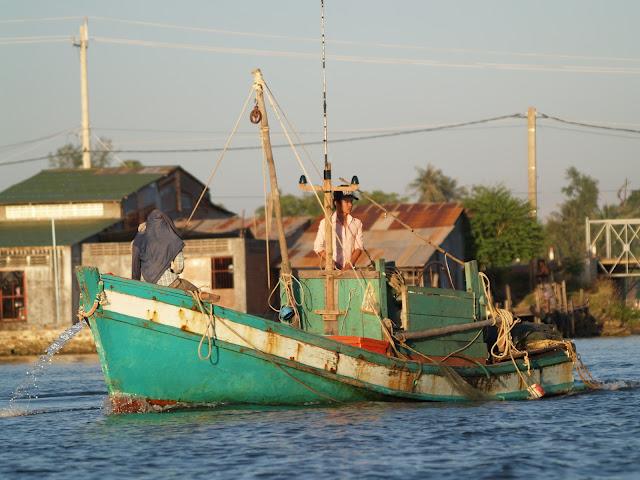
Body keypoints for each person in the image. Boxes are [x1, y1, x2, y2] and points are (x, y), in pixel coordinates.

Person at [131, 209, 198, 292]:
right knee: (195, 291)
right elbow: (179, 267)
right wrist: (173, 271)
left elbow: (135, 269)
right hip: (170, 283)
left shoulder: (137, 240)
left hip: (147, 286)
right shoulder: (173, 239)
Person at [313, 189, 364, 270]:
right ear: (336, 203)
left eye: (351, 201)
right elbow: (318, 247)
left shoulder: (357, 223)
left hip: (351, 271)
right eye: (346, 202)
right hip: (332, 270)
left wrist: (348, 266)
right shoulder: (326, 223)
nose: (350, 205)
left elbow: (359, 247)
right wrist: (332, 262)